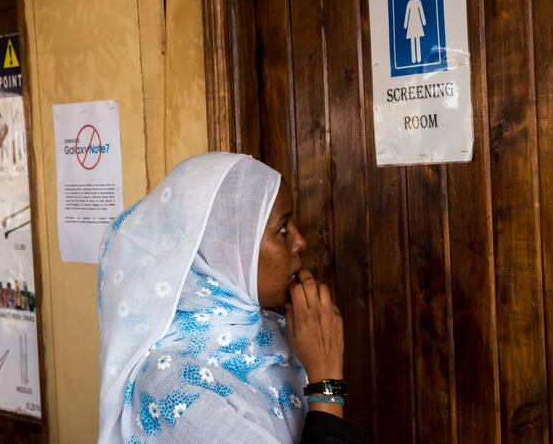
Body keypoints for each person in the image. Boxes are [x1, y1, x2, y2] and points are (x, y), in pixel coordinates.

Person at [97, 153, 366, 443]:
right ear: (224, 250)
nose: (300, 241)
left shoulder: (280, 331)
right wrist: (326, 379)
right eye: (283, 229)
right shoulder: (173, 384)